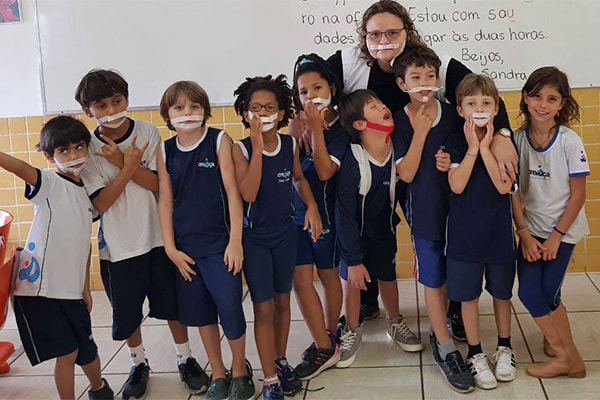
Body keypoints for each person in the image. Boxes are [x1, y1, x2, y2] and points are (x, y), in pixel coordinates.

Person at [317, 0, 518, 336]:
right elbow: (309, 77)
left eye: (392, 32)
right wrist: (301, 118)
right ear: (363, 37)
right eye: (375, 34)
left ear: (407, 32)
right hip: (373, 166)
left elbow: (482, 93)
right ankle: (367, 299)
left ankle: (454, 309)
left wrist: (503, 134)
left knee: (437, 239)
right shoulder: (346, 62)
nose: (384, 40)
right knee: (369, 229)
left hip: (425, 171)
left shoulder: (436, 62)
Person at [75, 70, 205, 398]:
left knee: (172, 306)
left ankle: (185, 358)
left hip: (160, 239)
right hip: (118, 247)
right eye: (101, 105)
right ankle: (138, 363)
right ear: (88, 110)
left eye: (117, 101)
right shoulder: (86, 148)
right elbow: (102, 202)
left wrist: (124, 162)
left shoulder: (147, 132)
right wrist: (128, 166)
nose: (111, 110)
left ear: (127, 99)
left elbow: (161, 185)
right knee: (128, 313)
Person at [157, 81, 256, 400]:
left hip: (221, 247)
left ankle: (239, 368)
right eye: (179, 107)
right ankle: (218, 371)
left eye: (194, 106)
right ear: (168, 115)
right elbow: (165, 201)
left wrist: (236, 242)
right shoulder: (164, 149)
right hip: (186, 252)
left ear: (205, 110)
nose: (187, 112)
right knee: (201, 314)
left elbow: (233, 192)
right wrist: (171, 249)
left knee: (230, 309)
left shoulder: (218, 141)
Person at [5, 116, 114, 399]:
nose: (74, 156)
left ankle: (99, 388)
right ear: (49, 156)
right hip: (39, 290)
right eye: (64, 151)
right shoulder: (49, 183)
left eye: (79, 147)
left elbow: (82, 244)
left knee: (86, 347)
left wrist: (85, 287)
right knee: (68, 351)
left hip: (69, 290)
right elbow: (19, 167)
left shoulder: (84, 195)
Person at [231, 75, 322, 400]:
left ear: (283, 113)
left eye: (270, 107)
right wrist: (257, 150)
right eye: (255, 108)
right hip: (255, 240)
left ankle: (279, 360)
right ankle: (269, 378)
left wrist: (311, 206)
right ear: (244, 113)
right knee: (264, 308)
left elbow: (298, 179)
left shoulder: (288, 145)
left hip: (286, 234)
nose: (263, 113)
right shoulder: (239, 149)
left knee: (284, 302)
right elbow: (249, 193)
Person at [392, 45, 474, 393]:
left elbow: (469, 152)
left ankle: (457, 329)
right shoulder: (397, 120)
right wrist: (421, 133)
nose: (424, 83)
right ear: (402, 84)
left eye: (430, 76)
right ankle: (443, 343)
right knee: (432, 276)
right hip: (423, 210)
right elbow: (406, 174)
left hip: (460, 208)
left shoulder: (455, 116)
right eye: (415, 78)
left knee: (459, 271)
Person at [336, 89, 423, 369]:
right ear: (360, 124)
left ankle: (395, 321)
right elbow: (345, 214)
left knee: (387, 275)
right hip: (353, 233)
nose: (384, 107)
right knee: (352, 281)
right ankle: (351, 328)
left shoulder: (397, 153)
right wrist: (353, 259)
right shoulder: (352, 158)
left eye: (381, 102)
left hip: (383, 230)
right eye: (374, 106)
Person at [513, 67, 588, 379]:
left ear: (562, 104)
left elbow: (579, 196)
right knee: (538, 292)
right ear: (526, 98)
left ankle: (566, 358)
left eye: (552, 98)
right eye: (536, 96)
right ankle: (559, 346)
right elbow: (513, 193)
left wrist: (556, 236)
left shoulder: (570, 141)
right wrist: (525, 234)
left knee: (539, 294)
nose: (542, 104)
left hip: (563, 231)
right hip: (530, 231)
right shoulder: (516, 140)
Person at [446, 74, 517, 390]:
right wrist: (473, 148)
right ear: (460, 109)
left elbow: (504, 187)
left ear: (496, 107)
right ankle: (475, 353)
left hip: (498, 233)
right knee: (468, 297)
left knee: (502, 293)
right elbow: (457, 184)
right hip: (464, 235)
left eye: (486, 103)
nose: (479, 108)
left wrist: (487, 146)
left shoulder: (505, 144)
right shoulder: (453, 141)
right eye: (471, 103)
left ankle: (505, 347)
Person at [290, 54, 349, 380]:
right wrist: (298, 133)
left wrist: (316, 130)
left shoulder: (339, 129)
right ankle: (322, 342)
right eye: (303, 91)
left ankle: (330, 335)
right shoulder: (294, 124)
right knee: (301, 280)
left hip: (326, 217)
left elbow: (325, 171)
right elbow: (292, 169)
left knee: (328, 277)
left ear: (332, 89)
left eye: (317, 87)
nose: (310, 95)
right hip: (295, 216)